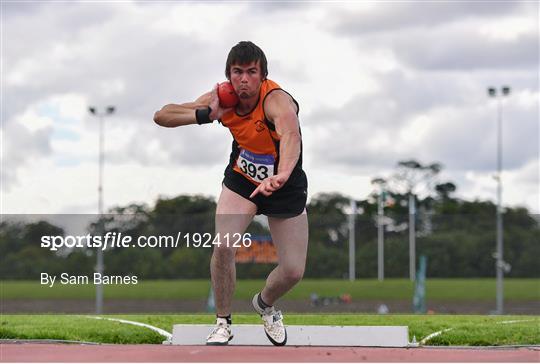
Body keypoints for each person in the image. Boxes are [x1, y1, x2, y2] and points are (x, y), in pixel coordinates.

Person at [154, 41, 308, 346]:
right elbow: (162, 115)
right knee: (223, 246)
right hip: (242, 181)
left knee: (292, 271)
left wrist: (282, 174)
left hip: (283, 185)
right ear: (228, 75)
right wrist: (204, 114)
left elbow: (291, 136)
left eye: (252, 72)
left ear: (263, 76)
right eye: (237, 72)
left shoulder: (276, 101)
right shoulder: (220, 100)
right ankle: (223, 322)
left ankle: (265, 305)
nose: (244, 80)